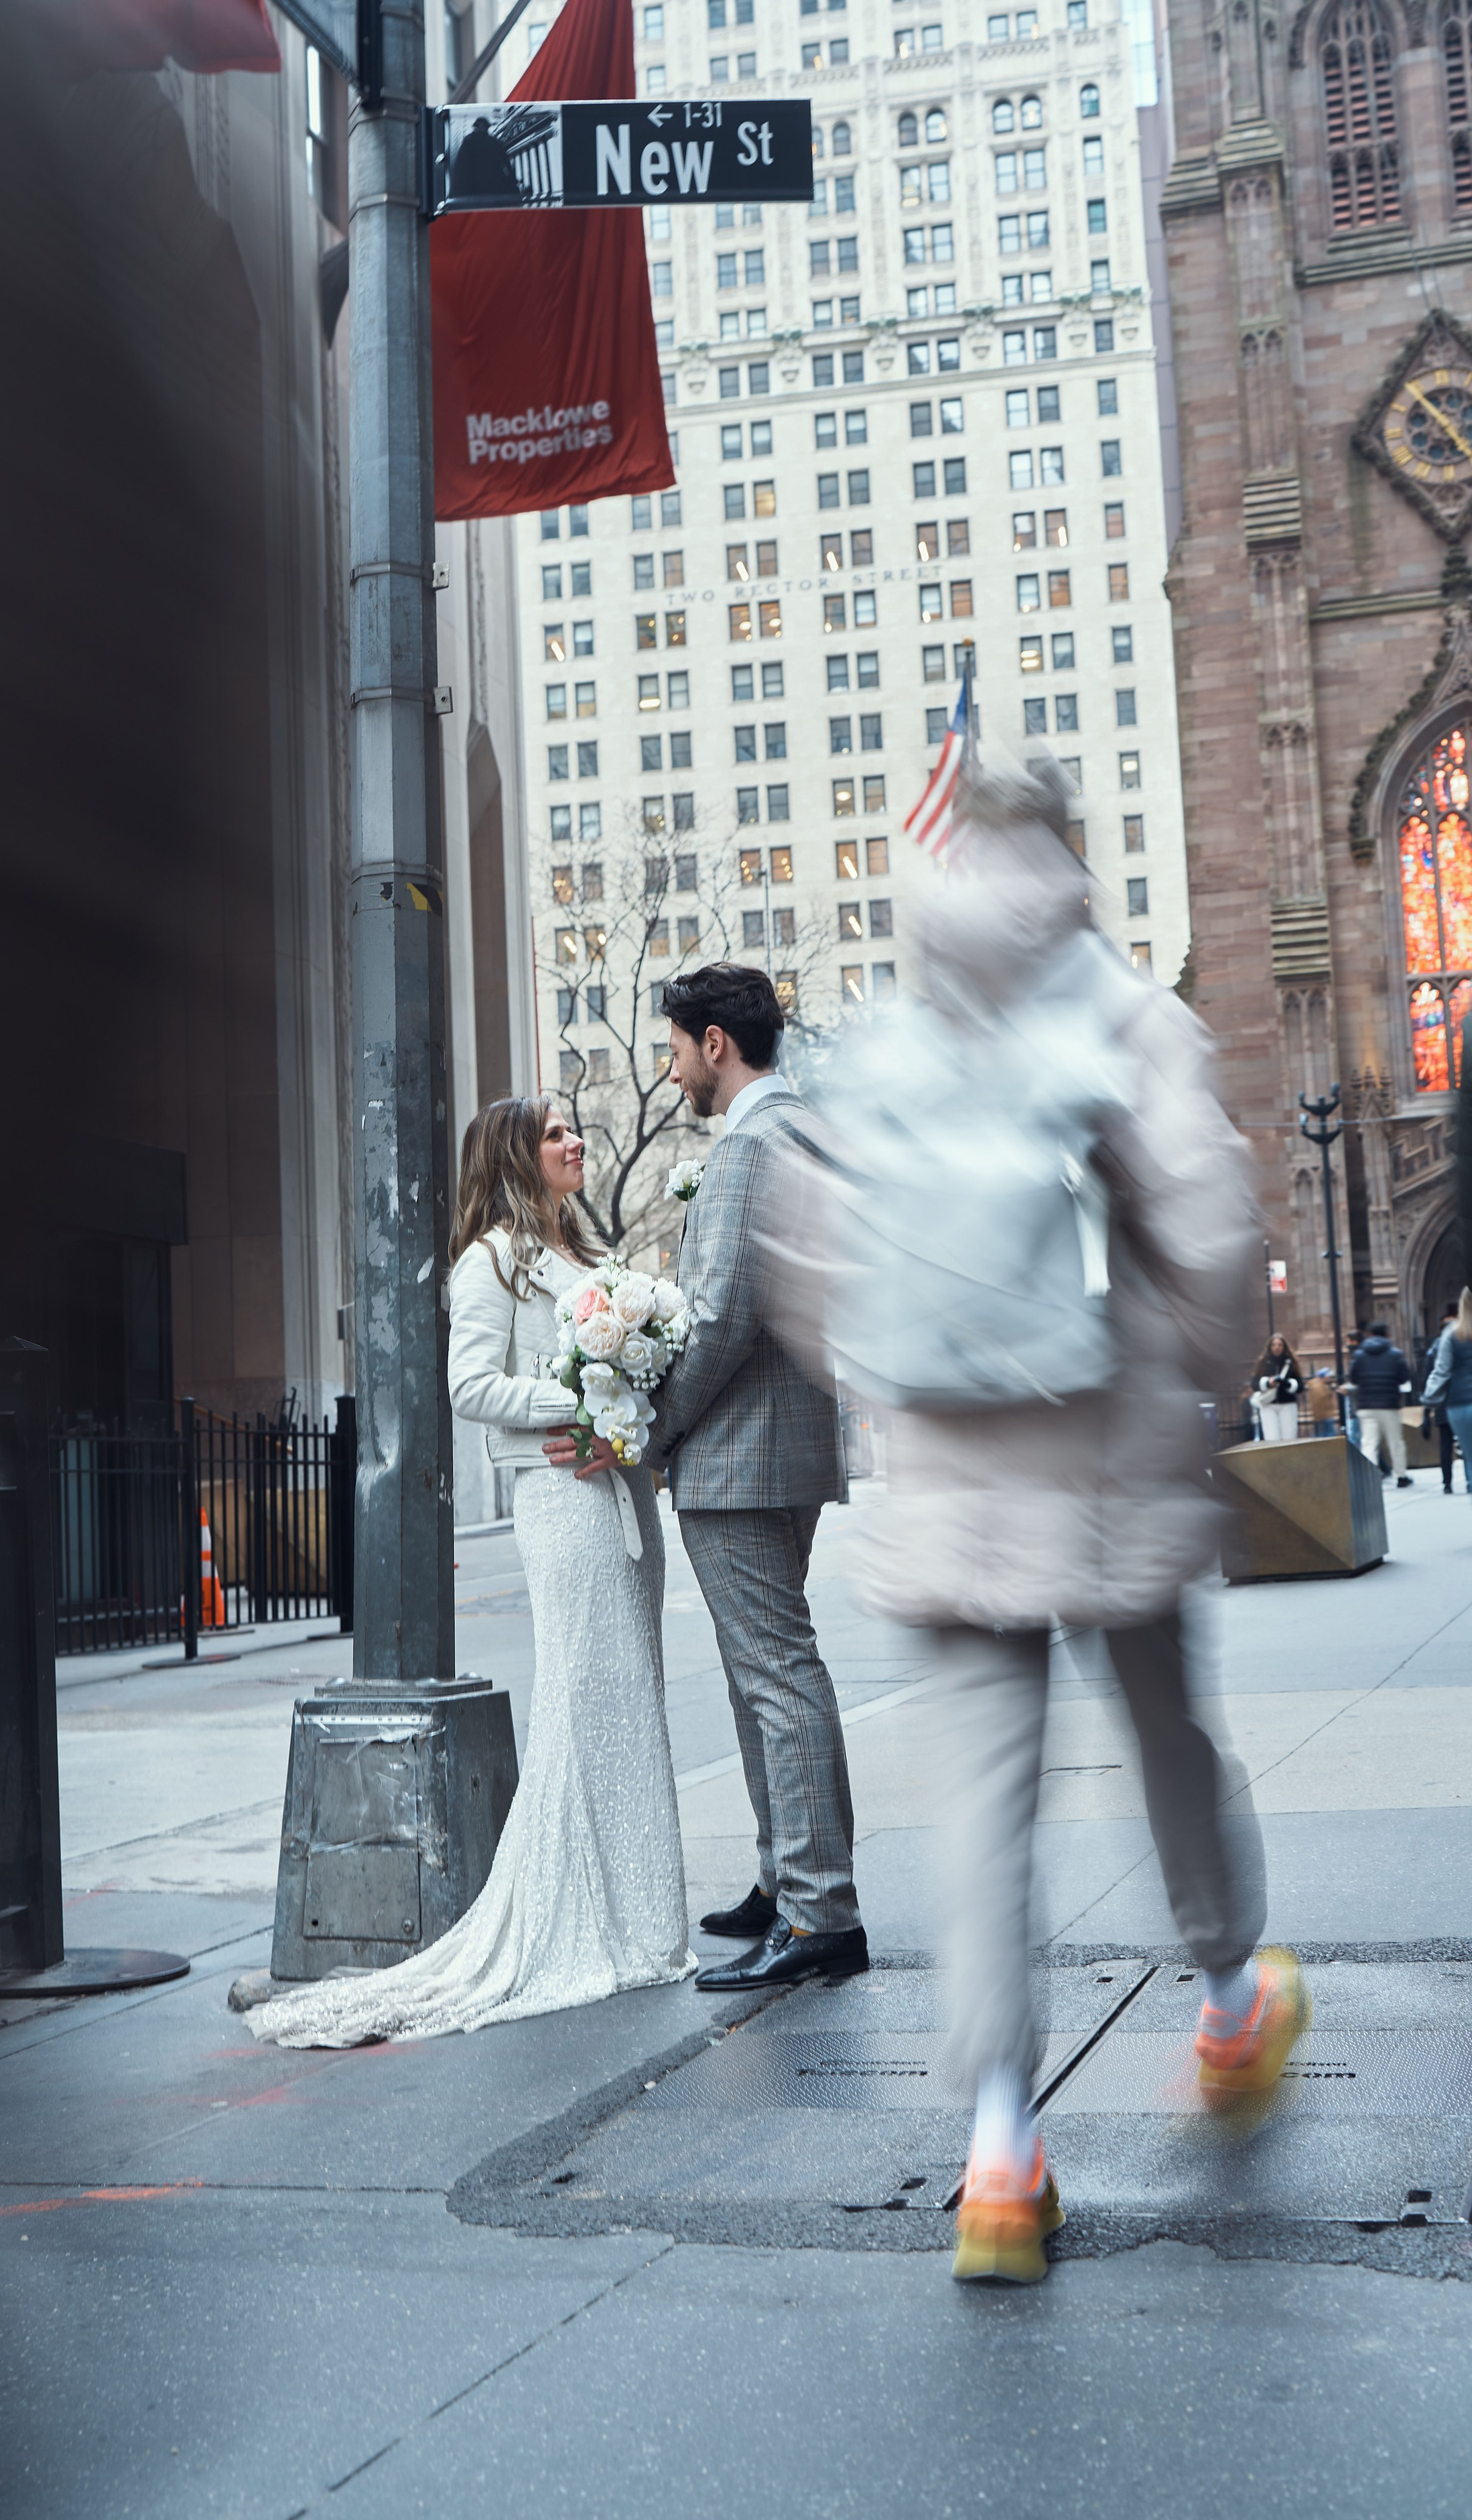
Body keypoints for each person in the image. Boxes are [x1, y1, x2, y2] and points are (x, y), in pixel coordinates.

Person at [829, 759, 1303, 2285]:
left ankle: (994, 2154)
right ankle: (1227, 2001)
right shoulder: (1121, 1012)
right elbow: (1216, 1234)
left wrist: (887, 1405)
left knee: (978, 1812)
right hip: (1113, 1456)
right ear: (1069, 861)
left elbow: (814, 1252)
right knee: (1167, 1735)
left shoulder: (895, 1026)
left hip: (944, 1479)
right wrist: (1204, 1382)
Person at [252, 1099, 693, 2048]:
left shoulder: (584, 1249)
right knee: (580, 1705)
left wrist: (632, 1402)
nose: (576, 1143)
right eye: (555, 1134)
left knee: (630, 1703)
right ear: (513, 1157)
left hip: (624, 1498)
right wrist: (576, 1397)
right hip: (563, 1500)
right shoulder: (491, 1259)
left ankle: (645, 1928)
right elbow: (473, 1386)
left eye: (576, 1130)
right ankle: (574, 1926)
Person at [613, 961, 865, 1993]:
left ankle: (820, 1912)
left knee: (777, 1674)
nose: (672, 1073)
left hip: (741, 1453)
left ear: (716, 1043)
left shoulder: (757, 1144)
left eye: (675, 1050)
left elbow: (718, 1319)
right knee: (760, 1674)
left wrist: (650, 1431)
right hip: (777, 1443)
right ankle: (783, 1880)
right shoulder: (798, 1130)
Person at [1343, 1321, 1414, 1487]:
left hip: (1366, 1404)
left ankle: (1370, 1480)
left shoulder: (1359, 1355)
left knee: (1369, 1442)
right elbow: (1404, 1377)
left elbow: (1353, 1378)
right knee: (1396, 1442)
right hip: (1389, 1404)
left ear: (1370, 1335)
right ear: (1387, 1335)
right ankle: (1401, 1476)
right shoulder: (1395, 1354)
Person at [1420, 1289, 1472, 1498]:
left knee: (1469, 1455)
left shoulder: (1452, 1333)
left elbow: (1441, 1371)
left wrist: (1428, 1398)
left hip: (1458, 1403)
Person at [1419, 1308, 1461, 1493]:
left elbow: (1429, 1379)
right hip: (1460, 1401)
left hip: (1443, 1403)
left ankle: (1447, 1484)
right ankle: (1468, 1481)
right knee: (1466, 1442)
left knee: (1445, 1444)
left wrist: (1427, 1409)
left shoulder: (1432, 1350)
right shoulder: (1461, 1345)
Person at [1250, 1332, 1304, 1442]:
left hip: (1287, 1404)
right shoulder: (1263, 1364)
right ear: (1270, 1347)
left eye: (1280, 1345)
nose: (1277, 1347)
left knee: (1289, 1437)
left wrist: (1286, 1383)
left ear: (1284, 1347)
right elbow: (1254, 1384)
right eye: (1274, 1345)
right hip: (1269, 1405)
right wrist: (1267, 1383)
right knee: (1272, 1438)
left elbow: (1300, 1387)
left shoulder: (1291, 1364)